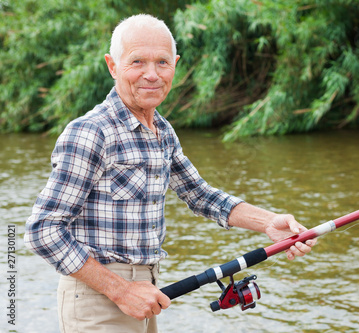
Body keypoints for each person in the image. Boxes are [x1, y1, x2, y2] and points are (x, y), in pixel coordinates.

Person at [24, 14, 315, 333]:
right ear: (112, 66)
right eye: (137, 62)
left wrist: (267, 222)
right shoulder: (91, 132)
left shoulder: (161, 129)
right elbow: (43, 230)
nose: (151, 74)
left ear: (174, 65)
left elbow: (200, 195)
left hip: (149, 293)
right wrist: (121, 290)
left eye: (162, 62)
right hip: (99, 299)